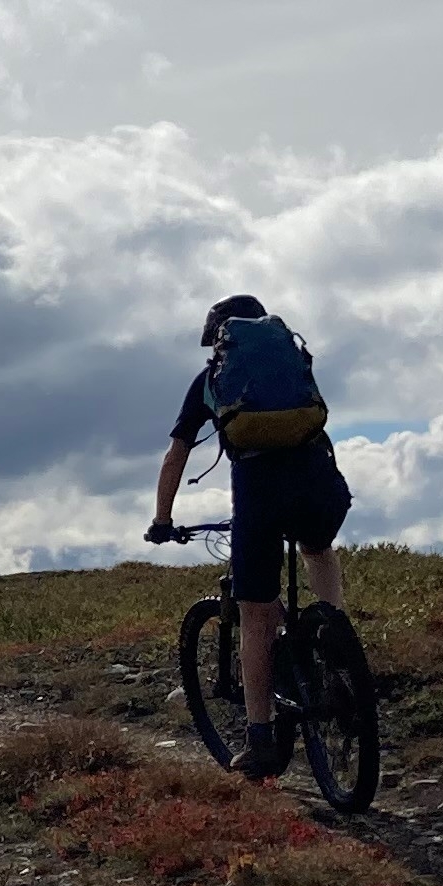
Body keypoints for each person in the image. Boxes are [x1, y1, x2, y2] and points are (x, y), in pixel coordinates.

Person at [148, 294, 352, 780]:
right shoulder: (291, 363)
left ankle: (261, 739)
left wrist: (162, 518)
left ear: (219, 340)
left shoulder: (212, 380)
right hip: (319, 482)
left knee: (255, 615)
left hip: (261, 493)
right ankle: (336, 641)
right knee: (317, 548)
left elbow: (177, 454)